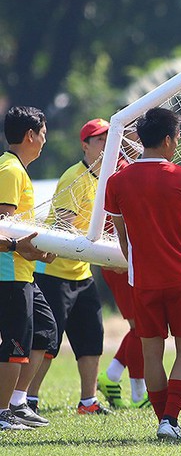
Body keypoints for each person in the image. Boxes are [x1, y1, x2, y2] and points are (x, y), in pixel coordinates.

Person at [105, 107, 181, 440]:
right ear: (167, 139)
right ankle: (171, 419)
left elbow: (122, 237)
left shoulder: (117, 181)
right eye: (177, 138)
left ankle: (164, 421)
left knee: (151, 353)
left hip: (143, 282)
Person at [29, 118, 111, 416]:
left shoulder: (104, 180)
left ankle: (88, 401)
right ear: (85, 145)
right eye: (99, 139)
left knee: (92, 338)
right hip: (54, 275)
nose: (105, 144)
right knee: (47, 343)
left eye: (108, 138)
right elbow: (65, 224)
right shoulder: (74, 177)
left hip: (82, 275)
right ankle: (29, 399)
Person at [0, 106, 57, 430]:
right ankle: (2, 413)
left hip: (22, 272)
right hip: (7, 274)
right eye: (44, 134)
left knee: (46, 334)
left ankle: (18, 403)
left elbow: (18, 234)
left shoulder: (18, 170)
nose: (45, 141)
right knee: (15, 345)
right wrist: (16, 248)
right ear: (29, 135)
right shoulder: (9, 170)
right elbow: (2, 228)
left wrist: (36, 253)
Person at [97, 130, 149, 409]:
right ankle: (137, 391)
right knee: (141, 326)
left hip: (126, 256)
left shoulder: (124, 166)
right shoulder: (116, 169)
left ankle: (115, 376)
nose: (135, 137)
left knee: (141, 325)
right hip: (119, 259)